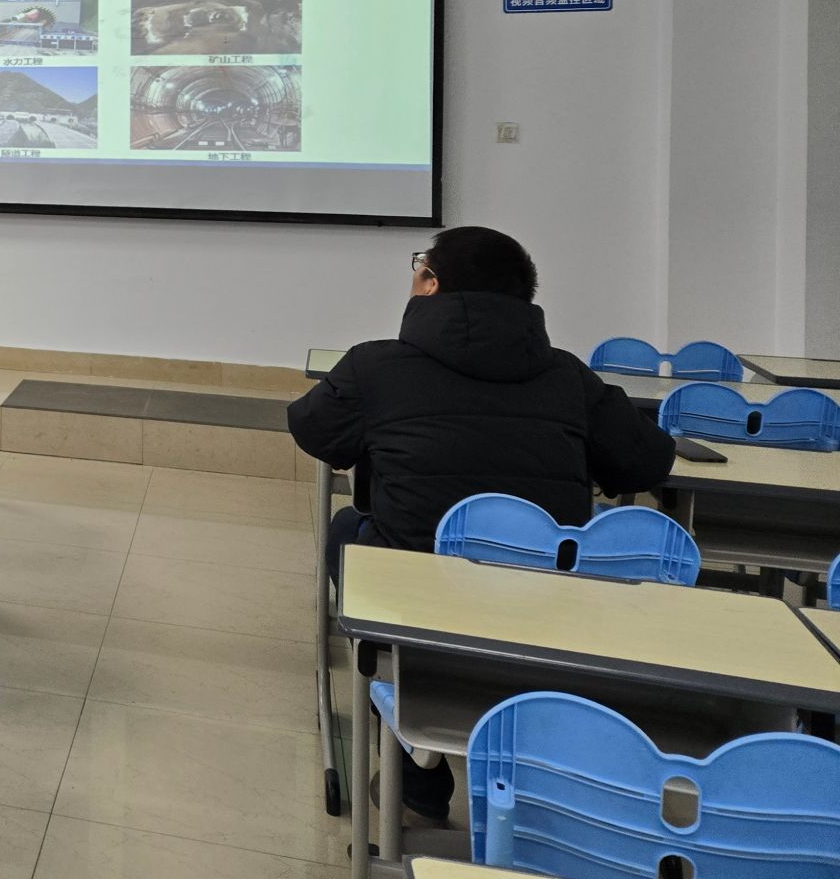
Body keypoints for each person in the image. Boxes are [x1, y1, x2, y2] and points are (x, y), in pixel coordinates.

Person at [288, 224, 675, 823]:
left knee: (347, 529)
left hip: (416, 608)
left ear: (430, 284)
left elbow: (313, 430)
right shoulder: (569, 377)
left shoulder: (374, 366)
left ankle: (413, 754)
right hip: (545, 611)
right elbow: (646, 462)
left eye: (419, 267)